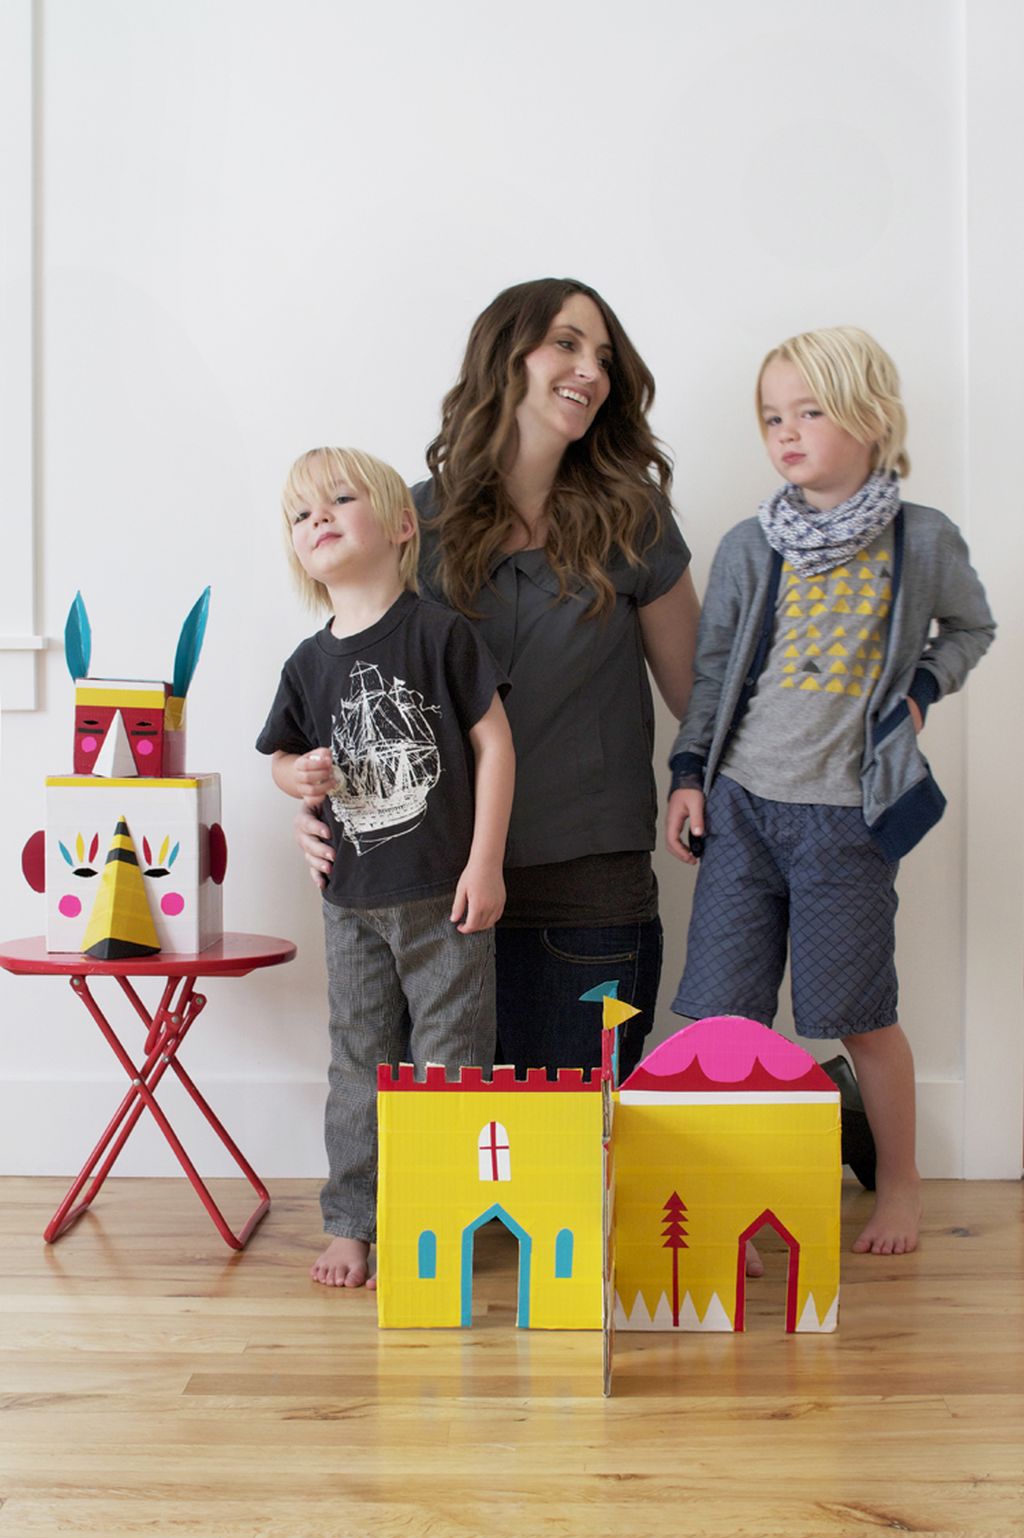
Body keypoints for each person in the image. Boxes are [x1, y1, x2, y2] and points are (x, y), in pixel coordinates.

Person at [294, 279, 700, 1079]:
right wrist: (309, 800)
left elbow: (701, 699)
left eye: (604, 357)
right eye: (567, 344)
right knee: (436, 1152)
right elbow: (347, 679)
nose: (591, 370)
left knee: (574, 1147)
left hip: (586, 902)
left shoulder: (635, 521)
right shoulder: (408, 523)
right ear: (504, 358)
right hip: (425, 899)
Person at [665, 326, 995, 1257]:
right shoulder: (748, 546)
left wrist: (921, 691)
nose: (787, 432)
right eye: (773, 416)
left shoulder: (922, 540)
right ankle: (729, 1193)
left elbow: (970, 629)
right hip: (741, 809)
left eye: (810, 411)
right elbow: (715, 672)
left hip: (847, 819)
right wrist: (688, 775)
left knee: (858, 1014)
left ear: (872, 417)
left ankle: (901, 1183)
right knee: (724, 1017)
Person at [257, 447, 514, 1288]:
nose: (318, 519)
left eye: (339, 499)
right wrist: (296, 777)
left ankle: (441, 1214)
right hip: (351, 899)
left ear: (403, 525)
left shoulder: (440, 634)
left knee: (452, 1062)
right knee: (357, 1061)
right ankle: (354, 1221)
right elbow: (281, 758)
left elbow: (494, 745)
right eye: (301, 514)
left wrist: (486, 862)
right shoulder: (307, 664)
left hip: (444, 895)